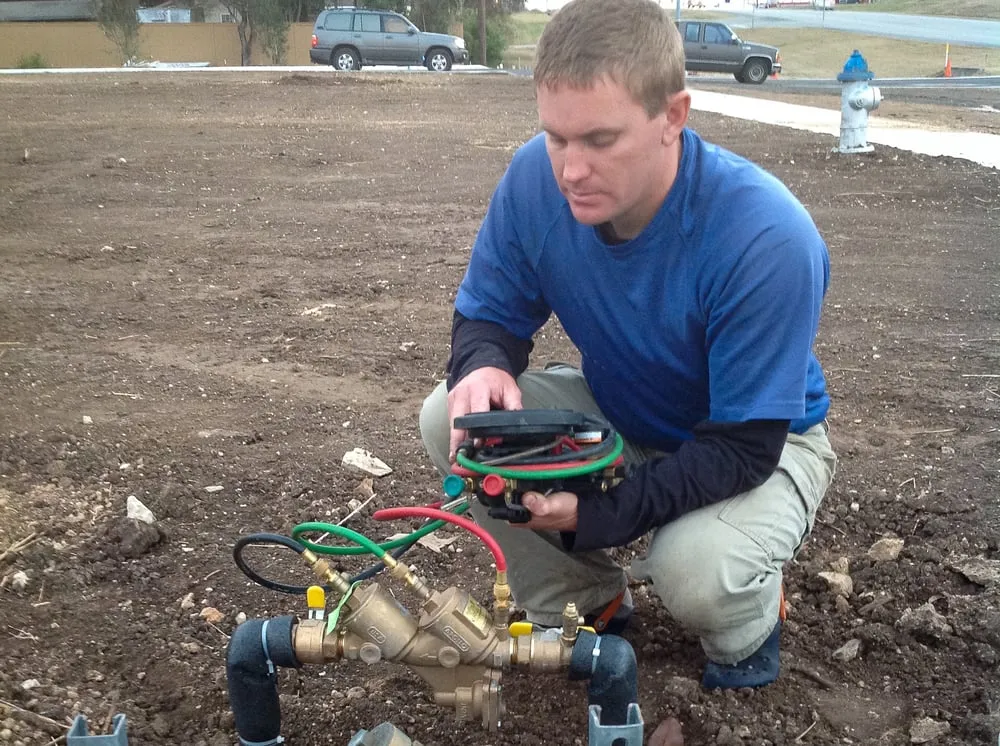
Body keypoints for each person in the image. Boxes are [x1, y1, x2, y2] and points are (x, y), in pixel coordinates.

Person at [419, 0, 836, 690]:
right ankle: (589, 606)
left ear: (673, 116)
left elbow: (742, 448)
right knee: (452, 417)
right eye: (556, 137)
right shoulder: (534, 179)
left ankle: (749, 625)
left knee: (696, 570)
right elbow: (489, 314)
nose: (569, 170)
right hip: (627, 412)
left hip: (764, 441)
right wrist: (483, 364)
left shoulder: (764, 238)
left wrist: (598, 514)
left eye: (599, 141)